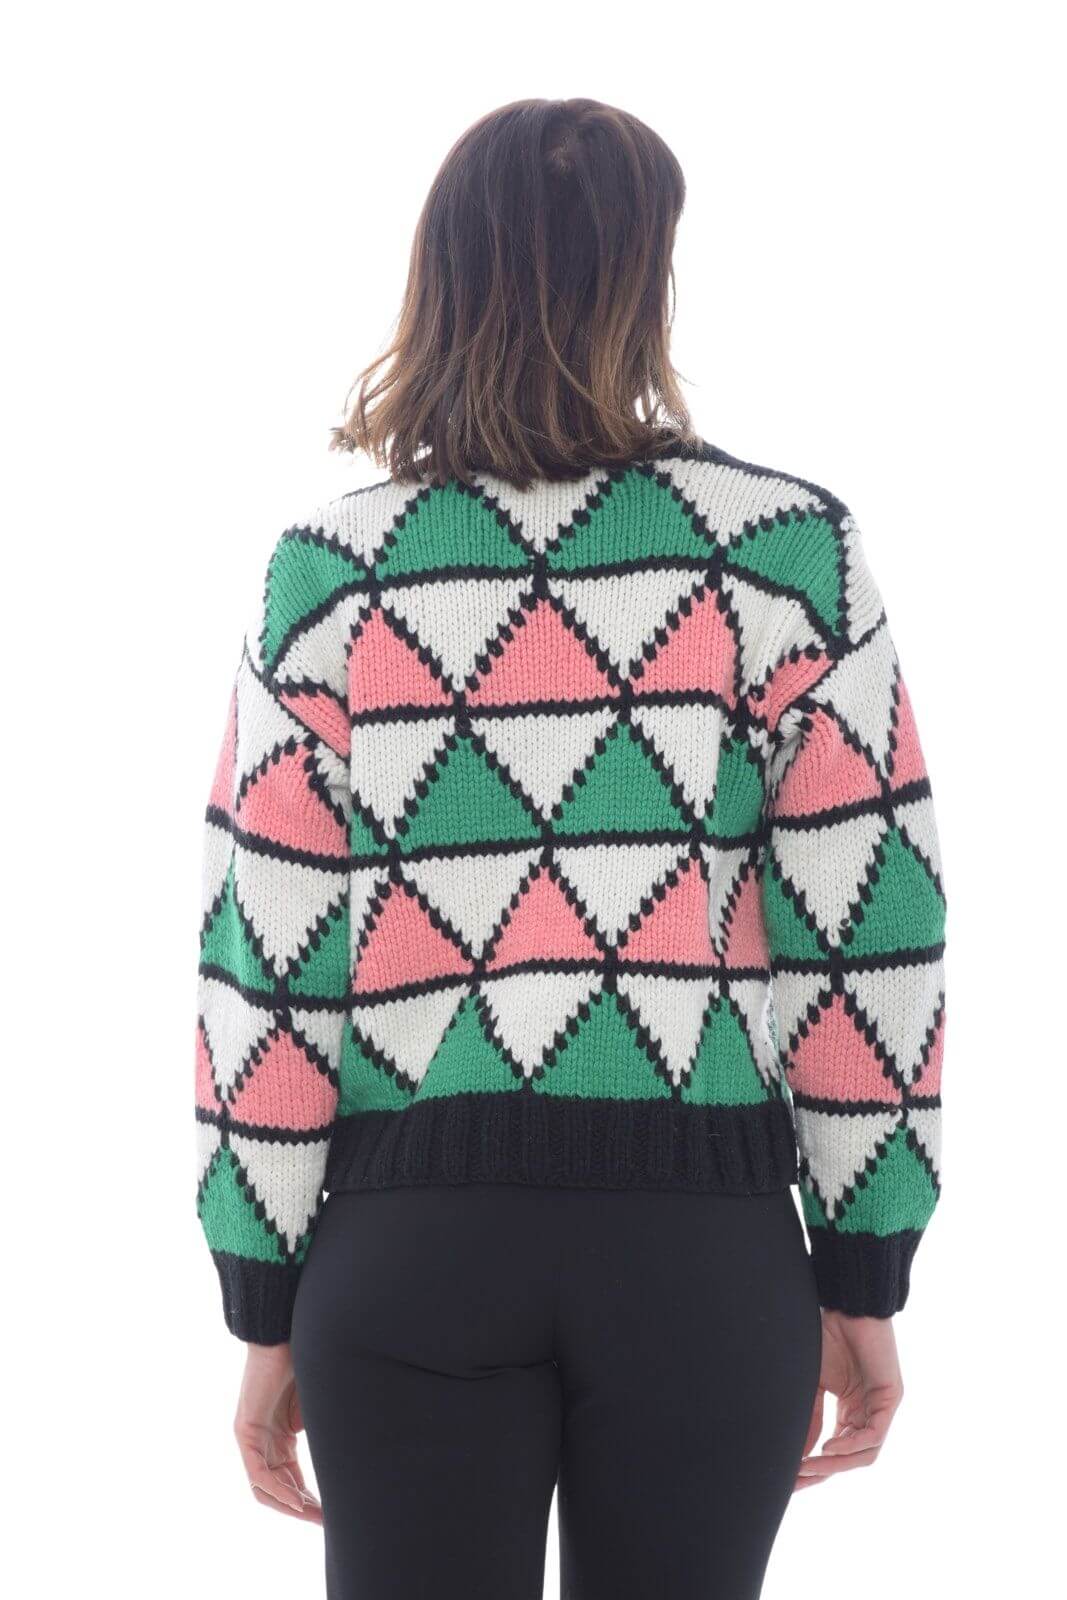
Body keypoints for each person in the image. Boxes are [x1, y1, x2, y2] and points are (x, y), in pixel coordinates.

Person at [193, 98, 947, 1600]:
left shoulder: (332, 570)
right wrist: (864, 1269)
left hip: (405, 1255)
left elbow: (267, 957)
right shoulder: (784, 553)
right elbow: (870, 931)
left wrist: (263, 1298)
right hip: (703, 1256)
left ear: (442, 273)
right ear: (649, 276)